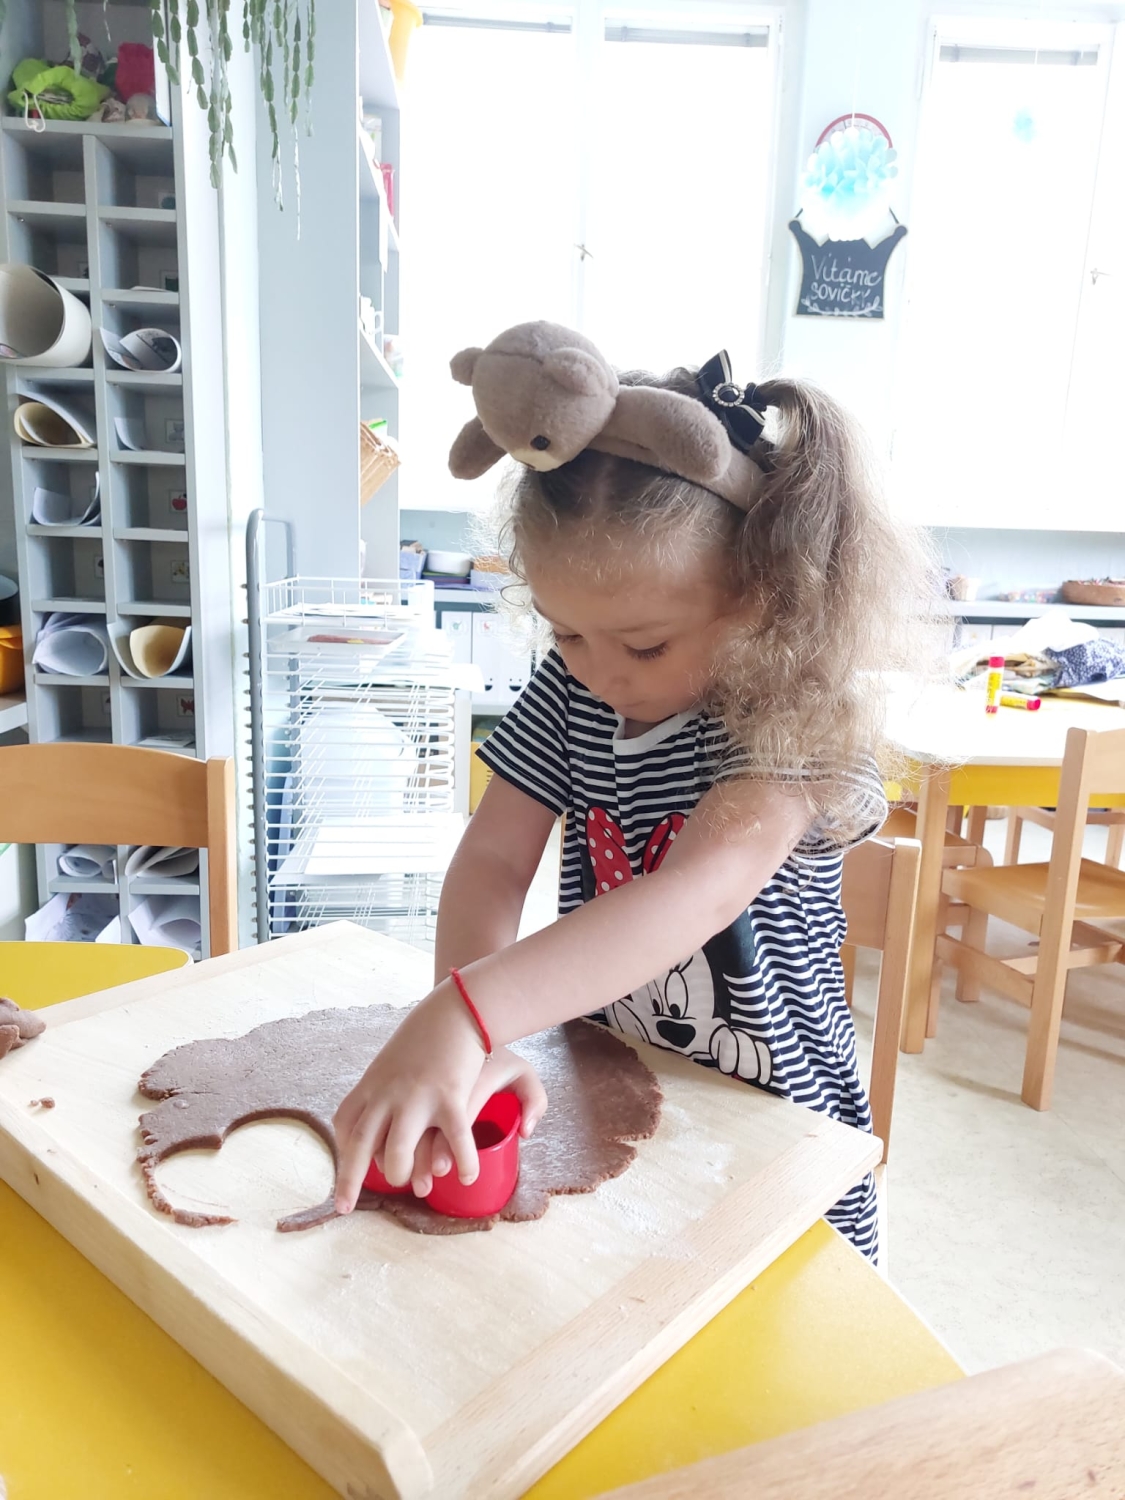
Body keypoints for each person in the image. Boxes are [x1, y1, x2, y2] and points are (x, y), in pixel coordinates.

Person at [333, 327, 942, 1260]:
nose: (600, 672)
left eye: (645, 645)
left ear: (761, 598)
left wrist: (464, 1012)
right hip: (623, 1082)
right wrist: (477, 1030)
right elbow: (493, 859)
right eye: (564, 632)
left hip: (778, 1124)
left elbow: (695, 894)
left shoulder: (793, 717)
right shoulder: (570, 692)